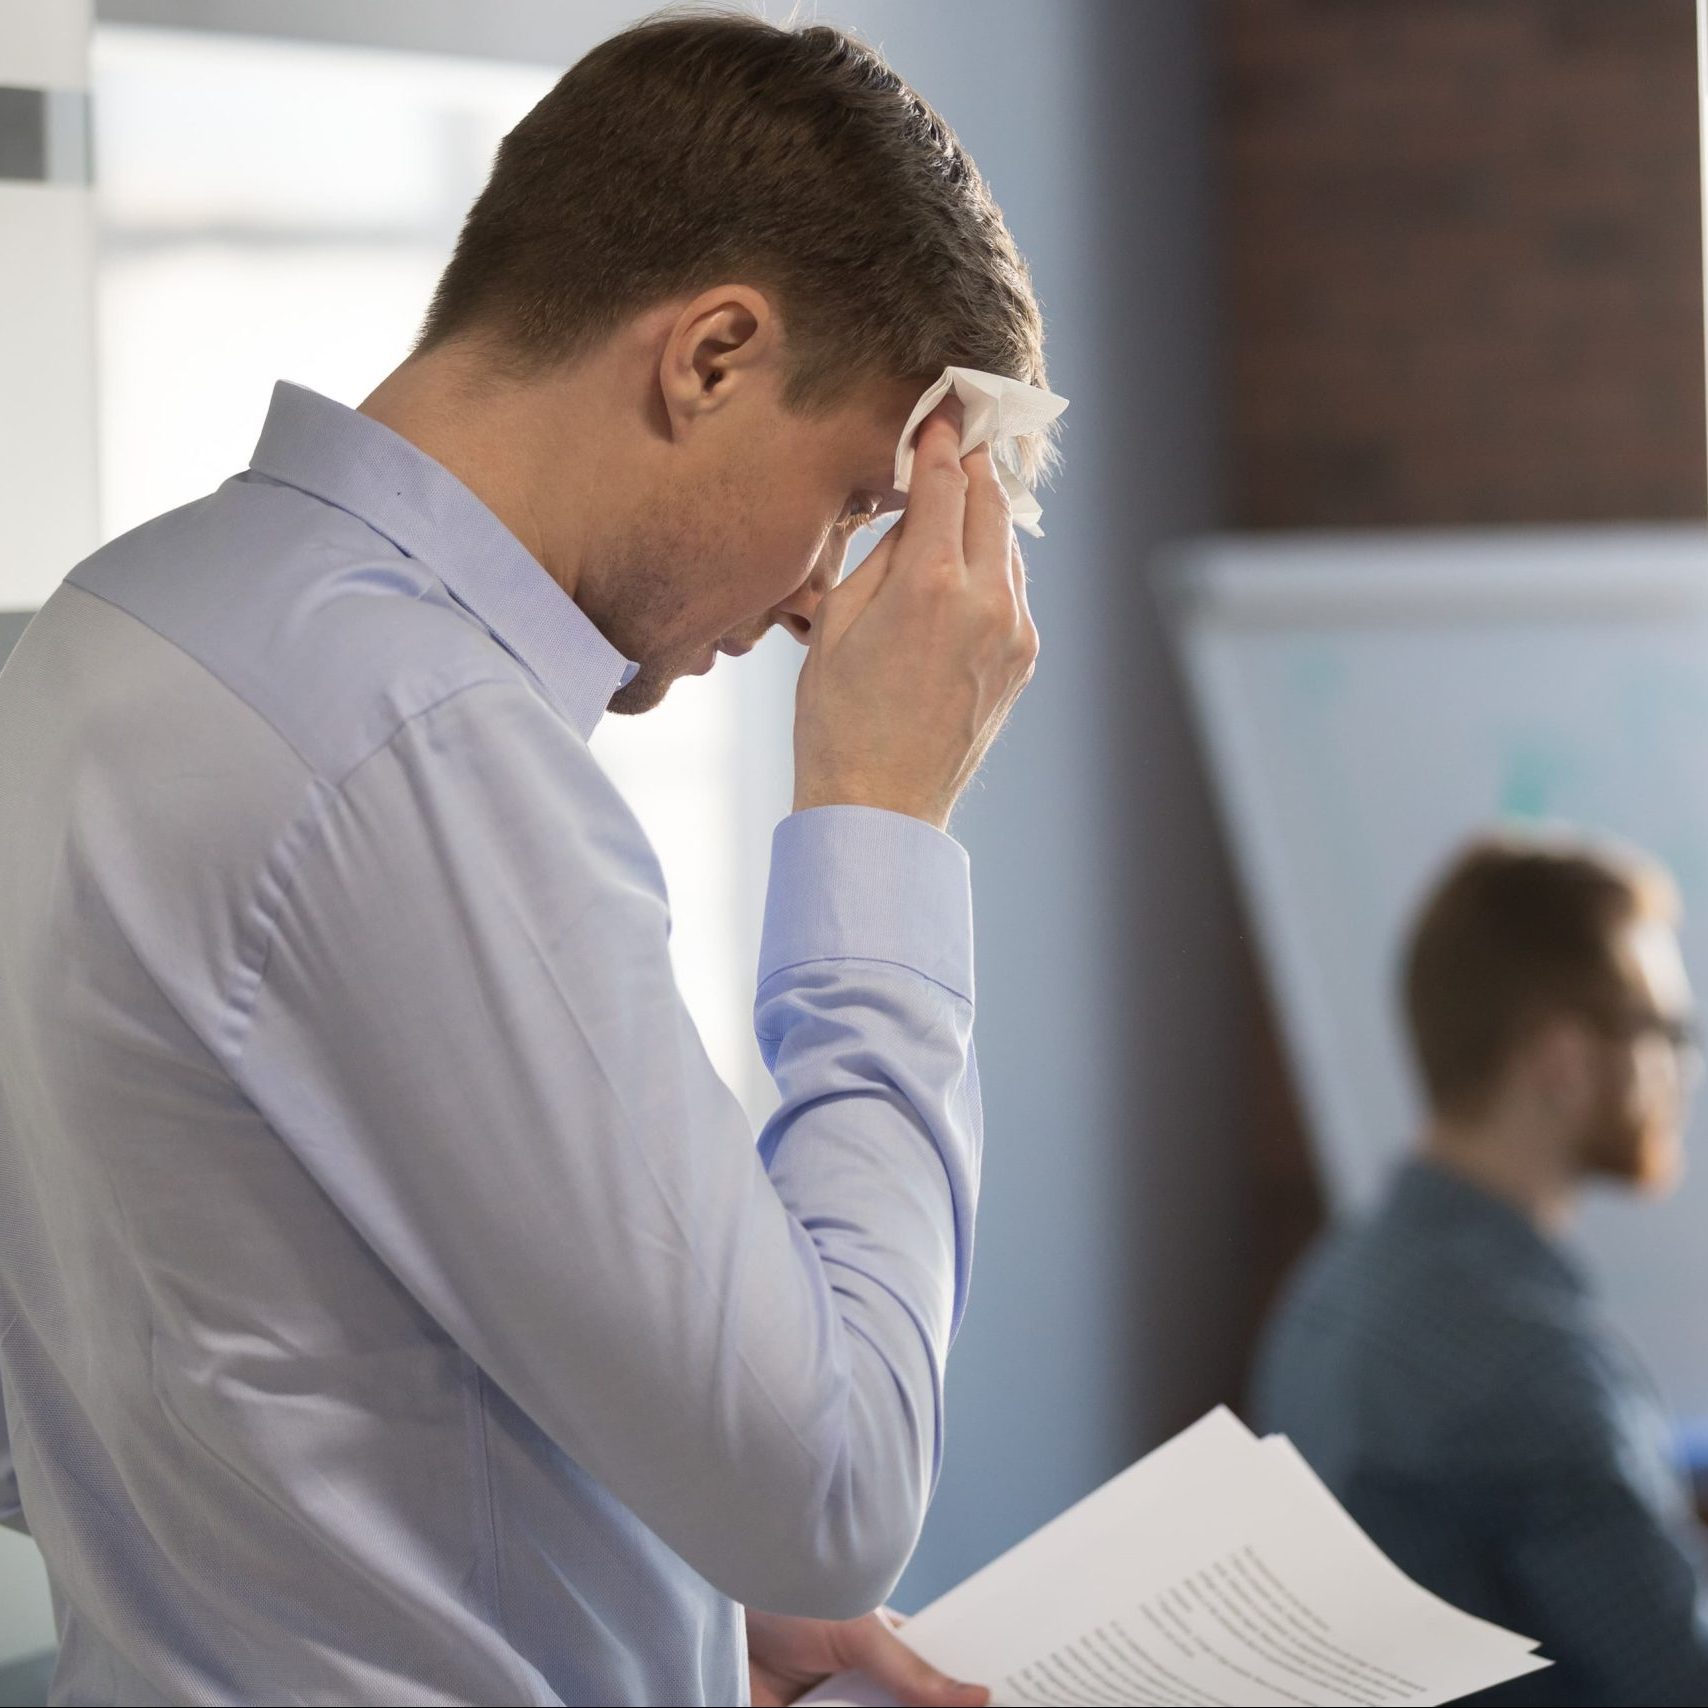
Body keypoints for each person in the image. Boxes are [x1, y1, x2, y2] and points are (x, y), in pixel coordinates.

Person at [0, 13, 1056, 1706]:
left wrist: (650, 1584)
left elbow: (170, 1367)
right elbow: (834, 1492)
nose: (815, 598)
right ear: (710, 354)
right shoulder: (414, 737)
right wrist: (880, 810)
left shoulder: (121, 618)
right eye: (855, 493)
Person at [1254, 831, 1708, 1705]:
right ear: (1560, 1058)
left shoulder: (1332, 1284)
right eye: (1665, 1030)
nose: (1684, 1070)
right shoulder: (1526, 1357)